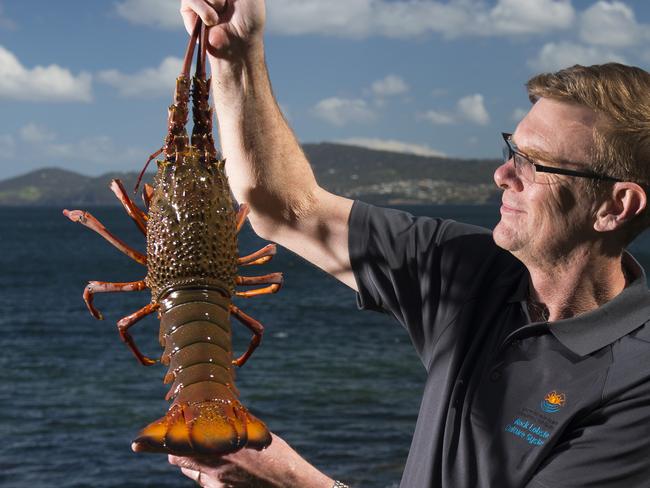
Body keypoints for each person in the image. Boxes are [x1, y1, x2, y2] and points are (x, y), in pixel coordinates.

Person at [167, 1, 650, 486]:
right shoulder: (471, 269)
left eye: (536, 164)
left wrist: (292, 481)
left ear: (616, 206)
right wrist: (236, 53)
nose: (502, 174)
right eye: (512, 150)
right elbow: (285, 209)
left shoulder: (637, 385)